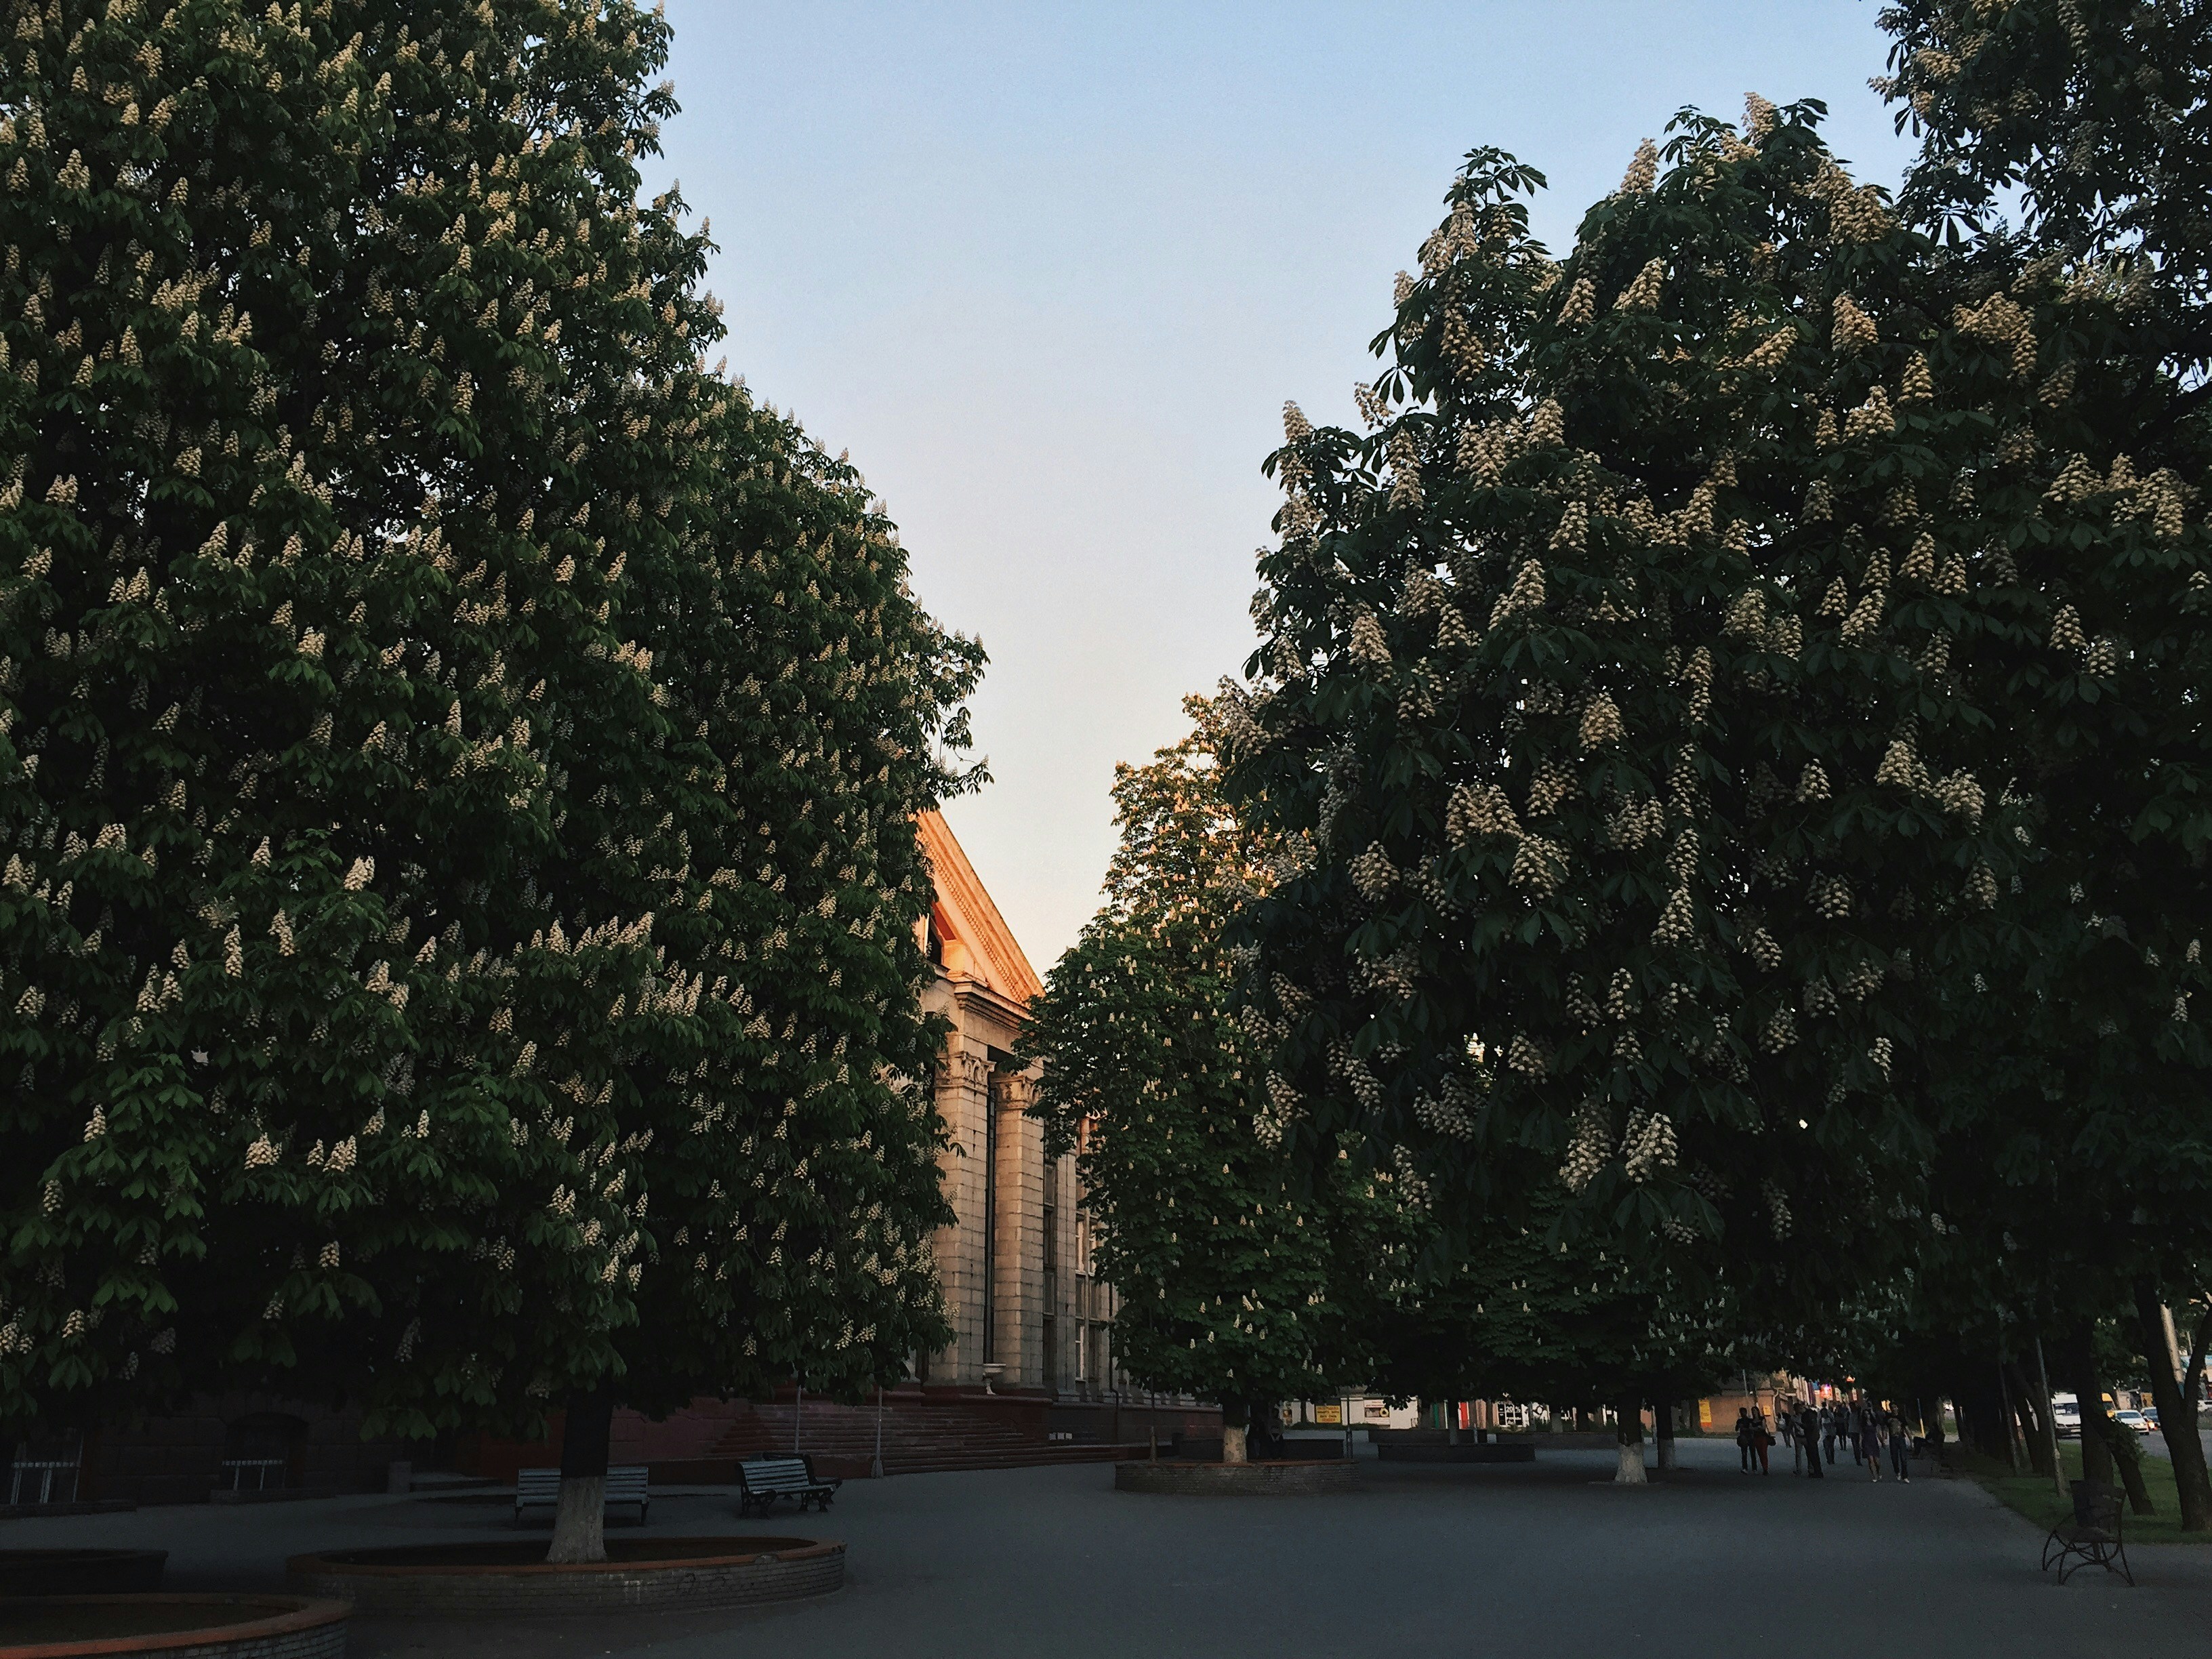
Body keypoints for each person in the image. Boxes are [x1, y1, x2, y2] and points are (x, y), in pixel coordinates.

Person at [1857, 1399, 1884, 1481]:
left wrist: (1882, 1442)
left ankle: (1878, 1473)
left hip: (1874, 1442)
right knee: (1871, 1460)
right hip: (1866, 1442)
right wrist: (1860, 1443)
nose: (1867, 1416)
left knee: (1877, 1461)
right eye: (1865, 1414)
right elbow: (1861, 1434)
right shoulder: (1863, 1424)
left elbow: (1878, 1433)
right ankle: (1874, 1476)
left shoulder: (1874, 1423)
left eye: (1868, 1414)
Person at [1887, 1409, 1911, 1483]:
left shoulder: (1901, 1418)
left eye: (1895, 1407)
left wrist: (1911, 1440)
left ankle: (1905, 1476)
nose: (1894, 1409)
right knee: (1894, 1458)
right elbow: (1885, 1428)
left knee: (1903, 1458)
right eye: (1892, 1407)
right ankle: (1897, 1471)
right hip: (1893, 1439)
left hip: (1901, 1438)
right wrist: (1883, 1439)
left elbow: (1906, 1428)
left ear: (1897, 1408)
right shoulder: (1888, 1418)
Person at [1736, 1406, 1754, 1473]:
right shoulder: (1739, 1421)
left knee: (1752, 1453)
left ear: (1746, 1412)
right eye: (1741, 1412)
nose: (1742, 1414)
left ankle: (1754, 1468)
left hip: (1750, 1437)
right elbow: (1736, 1429)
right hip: (1743, 1438)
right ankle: (1745, 1468)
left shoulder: (1750, 1420)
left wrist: (1744, 1428)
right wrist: (1739, 1426)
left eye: (1743, 1412)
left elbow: (1751, 1429)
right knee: (1744, 1453)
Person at [1821, 1401, 1839, 1466]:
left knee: (1831, 1448)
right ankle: (1829, 1460)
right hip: (1825, 1435)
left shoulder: (1830, 1419)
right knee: (1826, 1448)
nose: (1824, 1414)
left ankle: (1832, 1459)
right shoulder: (1821, 1419)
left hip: (1830, 1434)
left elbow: (1833, 1426)